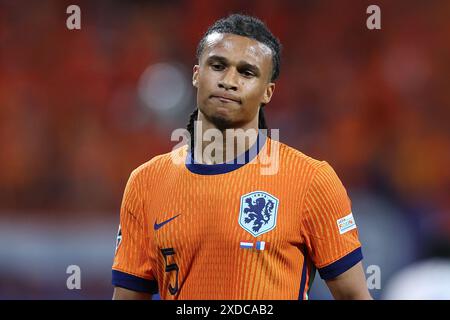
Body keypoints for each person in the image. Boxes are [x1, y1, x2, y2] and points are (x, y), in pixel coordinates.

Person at [112, 14, 371, 300]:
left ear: (267, 92)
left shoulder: (310, 180)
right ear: (197, 74)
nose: (229, 81)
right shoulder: (145, 183)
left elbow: (354, 295)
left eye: (246, 72)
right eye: (218, 66)